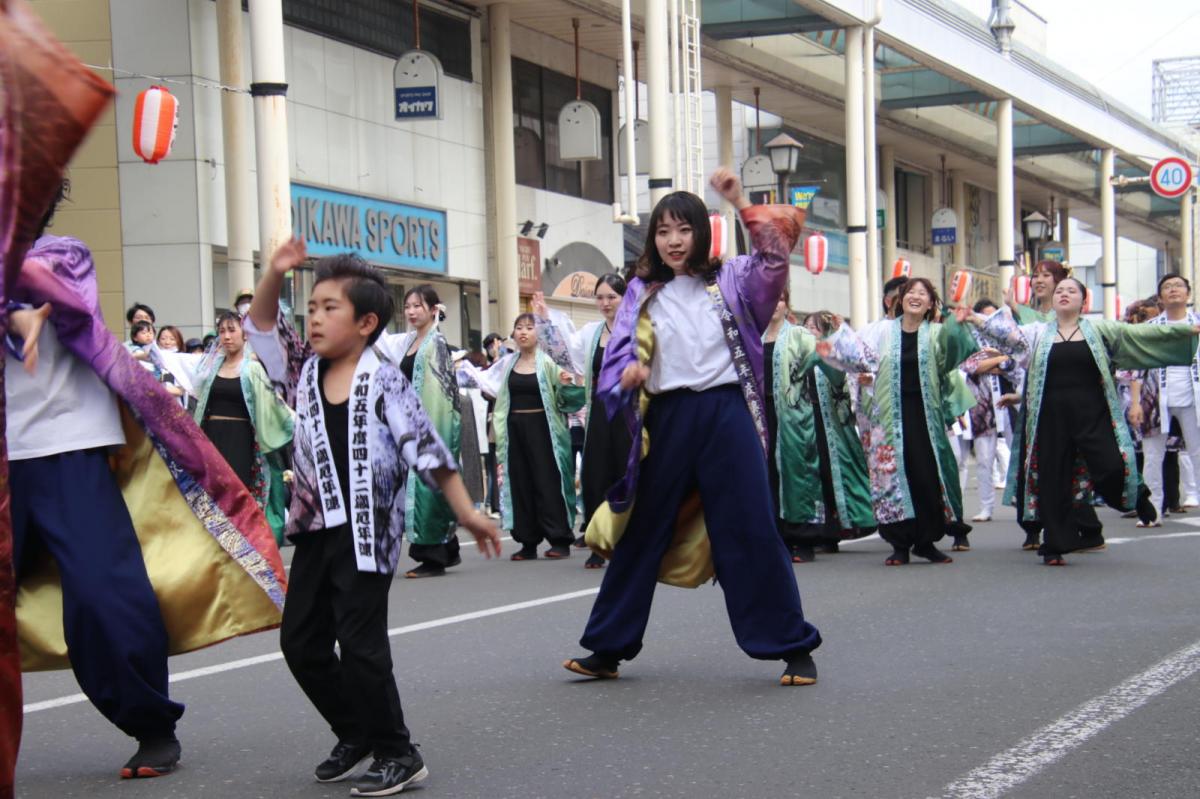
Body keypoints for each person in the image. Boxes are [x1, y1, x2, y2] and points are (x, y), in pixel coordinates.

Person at [8, 233, 288, 780]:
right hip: (7, 455)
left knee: (103, 596)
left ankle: (151, 724)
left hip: (69, 446)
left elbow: (61, 298)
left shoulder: (64, 253)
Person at [246, 238, 502, 796]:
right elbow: (261, 326)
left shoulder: (385, 378)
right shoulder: (304, 372)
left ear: (365, 323)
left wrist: (469, 514)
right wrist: (273, 272)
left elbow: (428, 449)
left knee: (361, 646)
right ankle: (356, 730)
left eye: (328, 308)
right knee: (301, 644)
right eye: (311, 307)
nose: (314, 317)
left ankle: (398, 752)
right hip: (315, 529)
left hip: (367, 534)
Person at [563, 167, 822, 687]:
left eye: (683, 229)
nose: (673, 241)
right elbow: (615, 364)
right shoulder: (640, 291)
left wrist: (741, 200)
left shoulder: (732, 279)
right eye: (663, 231)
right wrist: (628, 376)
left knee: (752, 528)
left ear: (701, 233)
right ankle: (608, 648)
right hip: (668, 416)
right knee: (641, 530)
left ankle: (793, 647)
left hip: (727, 414)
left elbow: (776, 259)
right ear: (652, 239)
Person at [988, 278, 1198, 565]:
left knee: (1111, 465)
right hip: (1051, 417)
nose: (1064, 294)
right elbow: (1009, 337)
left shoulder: (1099, 329)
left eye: (1071, 291)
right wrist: (974, 318)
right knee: (1053, 479)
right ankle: (1055, 545)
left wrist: (1186, 332)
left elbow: (1141, 337)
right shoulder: (1039, 331)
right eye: (1059, 290)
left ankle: (1134, 496)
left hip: (1092, 413)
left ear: (1083, 301)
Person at [854, 278, 979, 565]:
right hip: (888, 418)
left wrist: (956, 324)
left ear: (930, 304)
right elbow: (859, 358)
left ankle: (925, 542)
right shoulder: (882, 332)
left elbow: (955, 353)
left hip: (924, 417)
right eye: (910, 291)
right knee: (892, 479)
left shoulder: (935, 333)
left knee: (925, 477)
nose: (915, 296)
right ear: (900, 298)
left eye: (922, 294)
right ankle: (899, 545)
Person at [460, 313, 586, 560]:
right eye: (519, 328)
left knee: (547, 483)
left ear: (538, 334)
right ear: (513, 334)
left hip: (543, 430)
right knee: (520, 483)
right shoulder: (507, 364)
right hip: (514, 430)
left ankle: (559, 538)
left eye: (529, 327)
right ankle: (527, 541)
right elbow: (484, 381)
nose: (524, 332)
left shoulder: (548, 363)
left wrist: (566, 383)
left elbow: (567, 399)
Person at [532, 274, 633, 570]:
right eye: (600, 297)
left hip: (630, 412)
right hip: (600, 411)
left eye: (611, 297)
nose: (604, 303)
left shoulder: (638, 330)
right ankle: (599, 543)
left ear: (625, 298)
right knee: (595, 475)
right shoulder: (591, 332)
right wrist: (544, 323)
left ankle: (630, 539)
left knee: (626, 474)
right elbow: (564, 355)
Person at [764, 302, 877, 562]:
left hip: (806, 420)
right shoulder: (753, 336)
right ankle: (777, 535)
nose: (811, 331)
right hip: (770, 417)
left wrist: (838, 336)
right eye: (810, 326)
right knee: (771, 477)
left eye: (778, 297)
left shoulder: (800, 338)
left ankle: (808, 536)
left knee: (807, 476)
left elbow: (843, 368)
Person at [387, 285, 463, 579]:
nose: (411, 312)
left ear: (433, 309)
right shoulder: (408, 342)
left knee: (427, 487)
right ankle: (449, 547)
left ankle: (432, 556)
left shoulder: (436, 344)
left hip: (429, 424)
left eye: (418, 306)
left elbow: (442, 392)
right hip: (407, 425)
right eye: (407, 306)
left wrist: (428, 428)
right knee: (424, 487)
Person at [1138, 273, 1200, 527]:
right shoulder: (1151, 328)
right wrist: (1135, 403)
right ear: (1161, 297)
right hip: (1155, 399)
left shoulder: (1197, 323)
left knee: (1197, 453)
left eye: (1178, 286)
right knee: (1153, 455)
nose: (1173, 290)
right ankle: (1152, 510)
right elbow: (1135, 367)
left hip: (1193, 397)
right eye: (1167, 287)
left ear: (1188, 293)